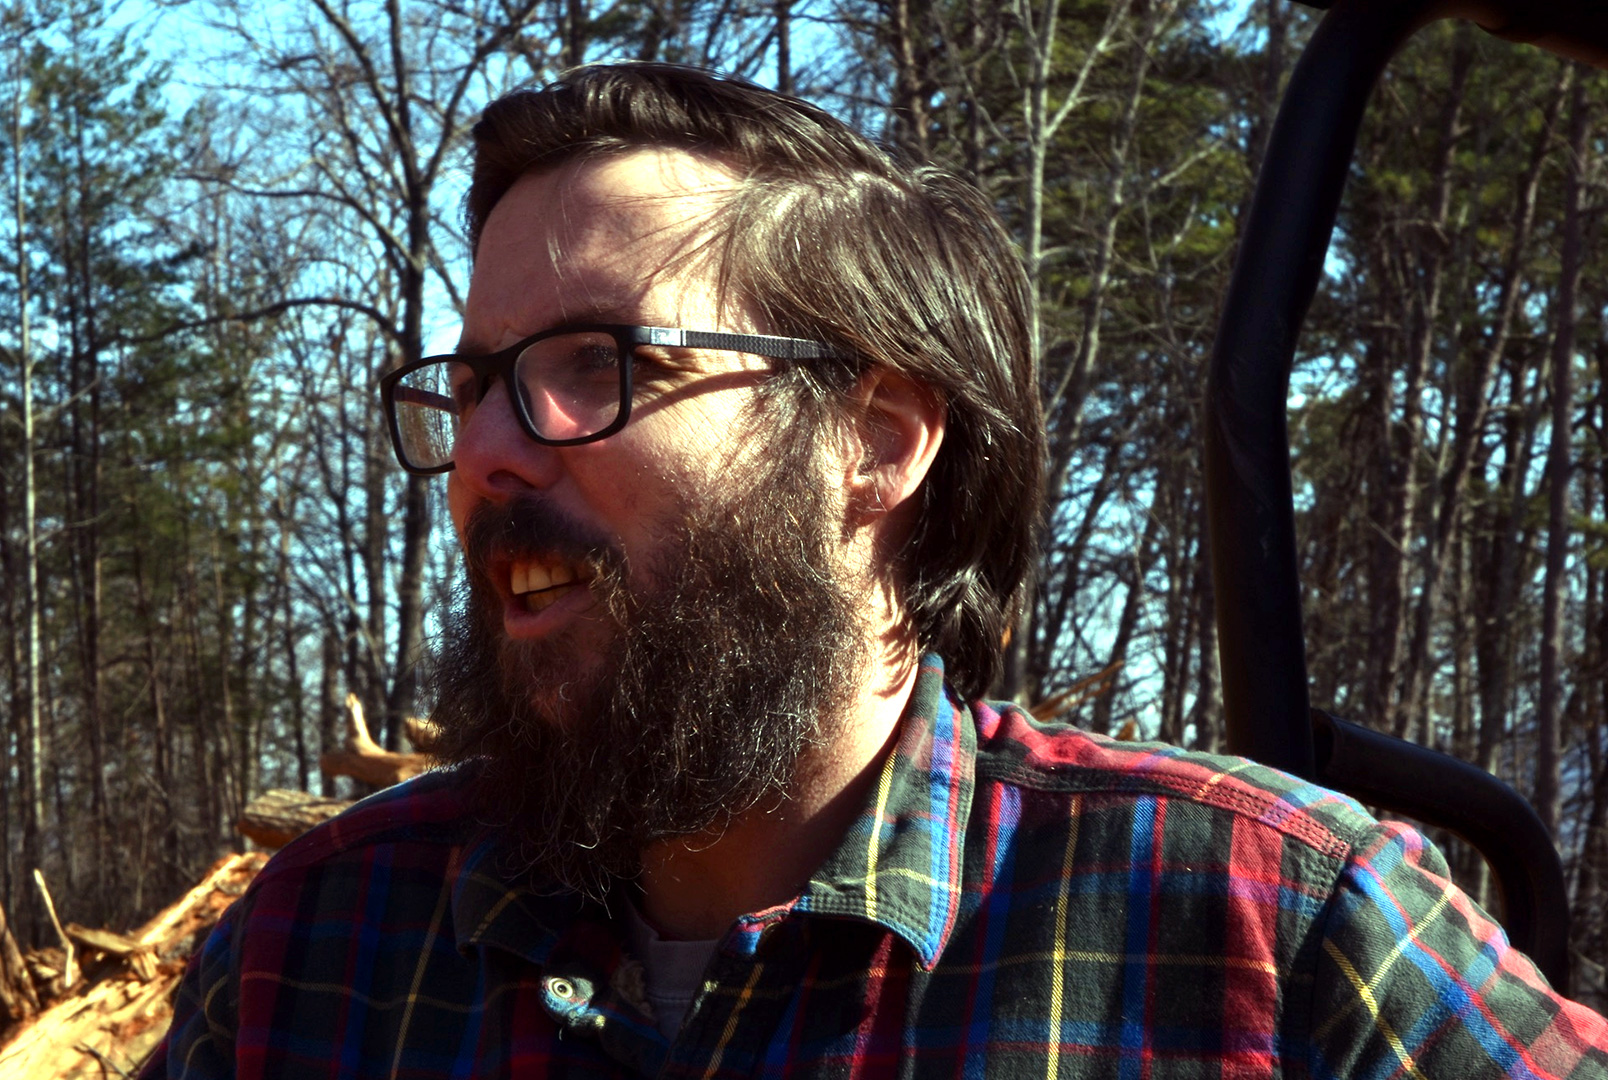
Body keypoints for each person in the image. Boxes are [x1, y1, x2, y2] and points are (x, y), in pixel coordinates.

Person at [145, 62, 1607, 1078]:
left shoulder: (1262, 930)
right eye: (469, 387)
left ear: (878, 441)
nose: (486, 455)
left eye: (589, 364)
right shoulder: (319, 954)